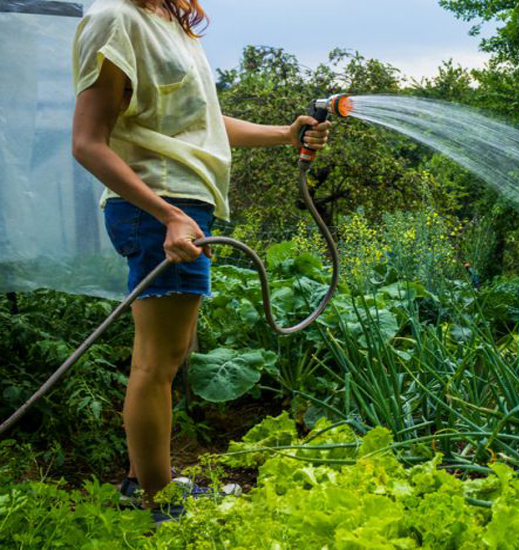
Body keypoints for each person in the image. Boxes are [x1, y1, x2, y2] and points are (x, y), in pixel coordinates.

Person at [71, 0, 330, 519]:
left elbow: (201, 125)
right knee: (158, 361)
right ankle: (159, 500)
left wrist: (284, 134)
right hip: (157, 203)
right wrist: (167, 215)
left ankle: (138, 479)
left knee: (167, 352)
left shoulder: (172, 26)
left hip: (182, 204)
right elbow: (87, 142)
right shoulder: (115, 18)